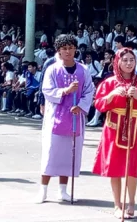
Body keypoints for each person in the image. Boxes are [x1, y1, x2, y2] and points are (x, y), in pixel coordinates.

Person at [93, 48, 137, 219]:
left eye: (131, 60)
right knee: (115, 165)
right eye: (125, 60)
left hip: (135, 126)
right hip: (114, 126)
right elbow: (99, 104)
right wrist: (113, 95)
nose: (129, 63)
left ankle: (132, 201)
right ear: (118, 62)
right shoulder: (109, 83)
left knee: (132, 165)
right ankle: (116, 204)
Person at [37, 34, 95, 203]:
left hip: (75, 117)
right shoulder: (52, 69)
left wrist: (82, 106)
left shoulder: (83, 70)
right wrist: (65, 91)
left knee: (70, 154)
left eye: (70, 48)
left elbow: (89, 91)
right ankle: (43, 189)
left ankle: (63, 190)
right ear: (59, 51)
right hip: (56, 116)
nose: (68, 51)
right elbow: (47, 90)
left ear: (75, 49)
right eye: (64, 49)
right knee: (51, 152)